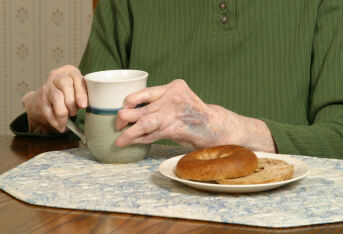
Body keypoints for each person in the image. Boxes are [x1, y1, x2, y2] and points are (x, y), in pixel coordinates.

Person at [11, 0, 343, 158]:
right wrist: (43, 113)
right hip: (142, 220)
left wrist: (230, 130)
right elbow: (86, 126)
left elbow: (338, 135)